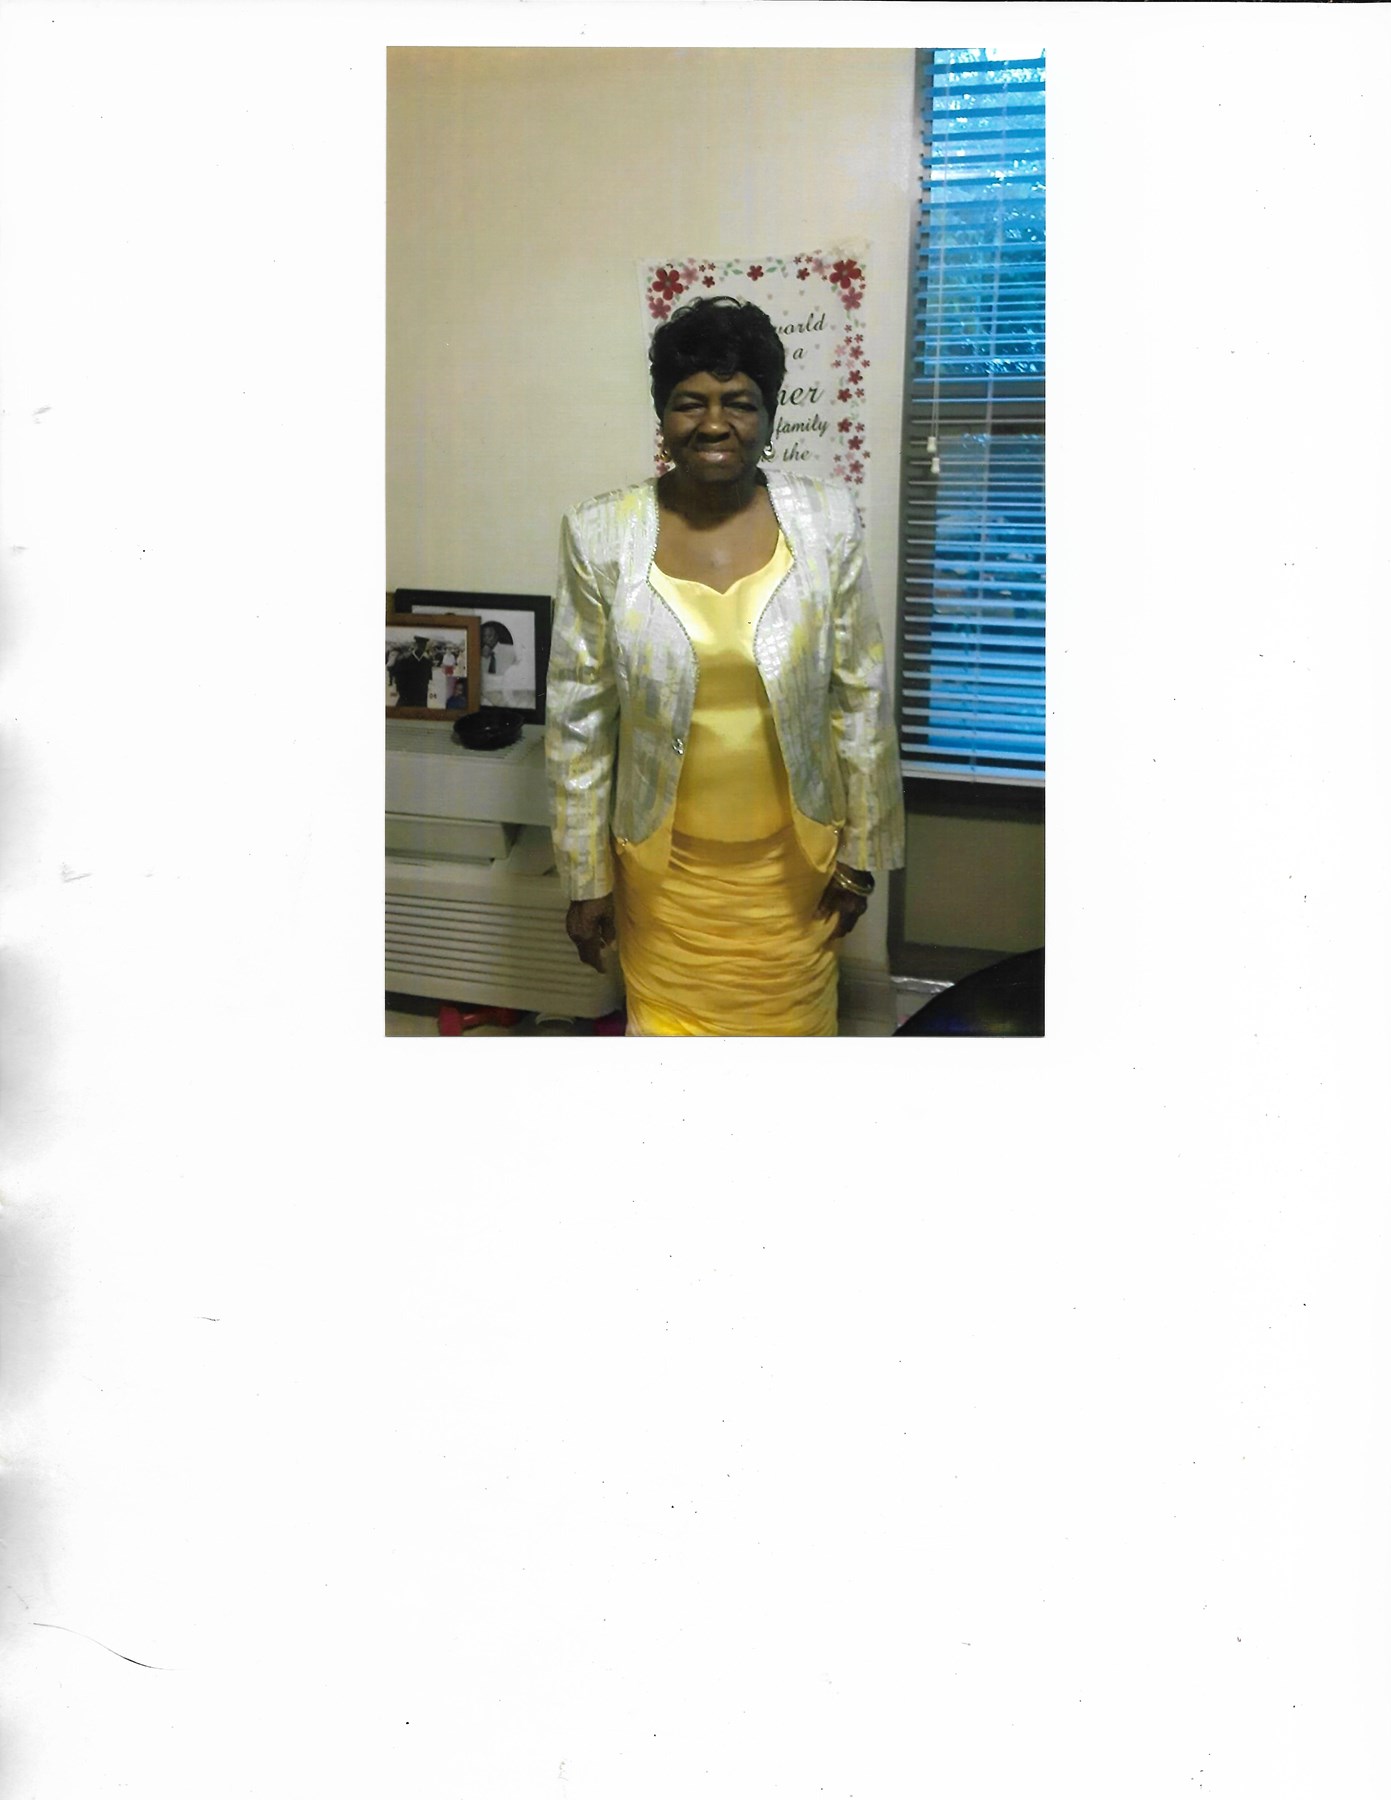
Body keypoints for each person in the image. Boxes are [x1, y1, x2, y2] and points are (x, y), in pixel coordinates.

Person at [545, 295, 904, 1036]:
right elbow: (578, 722)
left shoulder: (827, 522)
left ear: (769, 415)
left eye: (738, 401)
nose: (714, 423)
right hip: (664, 875)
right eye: (690, 403)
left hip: (795, 871)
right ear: (662, 415)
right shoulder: (600, 533)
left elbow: (860, 699)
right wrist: (585, 879)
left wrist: (863, 853)